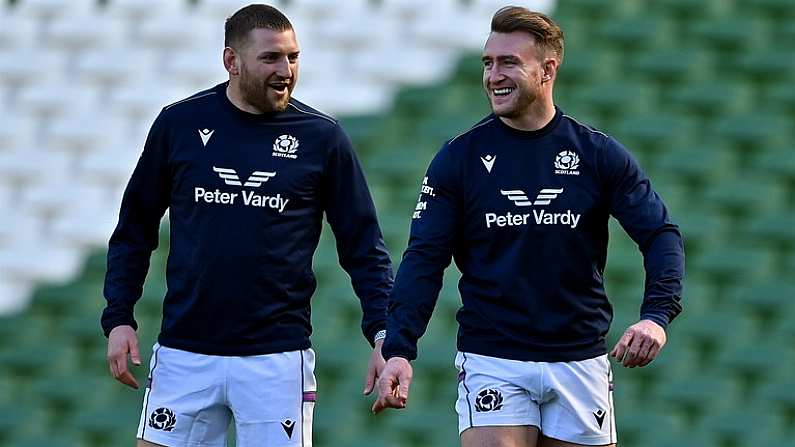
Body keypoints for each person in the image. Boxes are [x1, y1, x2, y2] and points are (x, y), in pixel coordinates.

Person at [373, 6, 684, 447]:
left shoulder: (597, 154)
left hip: (579, 357)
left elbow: (660, 235)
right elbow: (424, 258)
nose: (493, 75)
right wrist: (400, 347)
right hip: (493, 355)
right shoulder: (459, 158)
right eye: (487, 63)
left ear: (548, 69)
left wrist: (656, 317)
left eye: (508, 63)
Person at [101, 4, 393, 446]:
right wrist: (119, 316)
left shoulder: (321, 137)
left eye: (293, 57)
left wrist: (383, 331)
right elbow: (134, 228)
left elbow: (364, 246)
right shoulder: (180, 124)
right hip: (185, 352)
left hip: (276, 358)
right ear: (231, 61)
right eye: (271, 58)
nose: (286, 70)